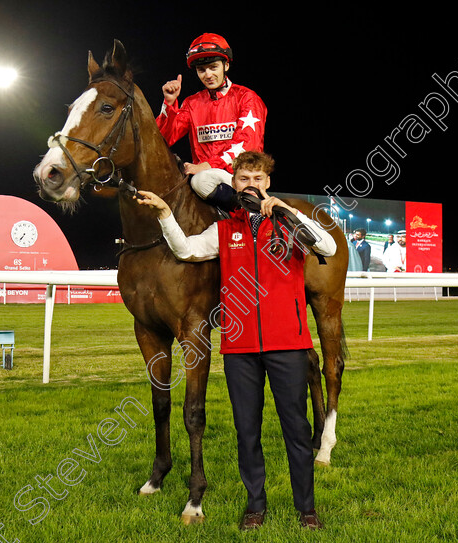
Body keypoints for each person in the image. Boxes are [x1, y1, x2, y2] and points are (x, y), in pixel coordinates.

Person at [135, 151, 335, 531]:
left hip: (289, 346)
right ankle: (255, 506)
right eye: (243, 179)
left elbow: (328, 248)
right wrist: (165, 213)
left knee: (295, 430)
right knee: (248, 432)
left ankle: (306, 508)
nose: (250, 185)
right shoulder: (226, 230)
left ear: (267, 183)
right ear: (234, 183)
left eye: (258, 179)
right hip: (240, 350)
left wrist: (290, 214)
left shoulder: (289, 226)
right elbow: (186, 249)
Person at [156, 33, 267, 211]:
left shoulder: (247, 98)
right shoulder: (191, 103)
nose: (208, 74)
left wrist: (207, 166)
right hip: (204, 181)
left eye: (213, 67)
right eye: (202, 70)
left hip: (240, 179)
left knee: (201, 180)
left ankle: (250, 213)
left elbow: (247, 146)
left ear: (226, 65)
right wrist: (169, 103)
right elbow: (162, 140)